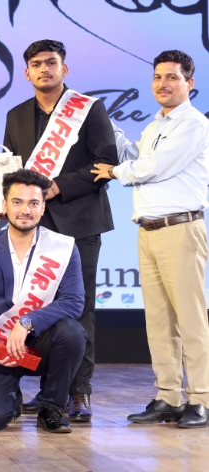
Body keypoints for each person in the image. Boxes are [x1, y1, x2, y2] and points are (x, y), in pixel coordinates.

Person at [92, 50, 209, 428]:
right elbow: (135, 155)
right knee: (159, 322)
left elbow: (153, 167)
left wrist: (115, 172)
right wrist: (106, 125)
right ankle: (168, 397)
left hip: (180, 229)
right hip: (149, 230)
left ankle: (202, 399)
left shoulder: (193, 124)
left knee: (191, 321)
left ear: (190, 84)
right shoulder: (157, 124)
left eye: (172, 77)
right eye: (158, 77)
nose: (163, 83)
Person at [3, 39, 118, 420]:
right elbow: (11, 168)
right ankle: (51, 391)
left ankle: (79, 392)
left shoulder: (88, 109)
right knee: (35, 307)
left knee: (79, 308)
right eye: (36, 64)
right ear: (27, 73)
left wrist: (57, 186)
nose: (44, 69)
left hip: (79, 223)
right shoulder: (16, 115)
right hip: (33, 228)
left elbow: (106, 163)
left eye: (51, 62)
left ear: (63, 68)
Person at [0, 169, 85, 433]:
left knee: (72, 332)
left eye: (33, 203)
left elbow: (73, 301)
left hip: (42, 342)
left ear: (43, 207)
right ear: (4, 205)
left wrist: (28, 321)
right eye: (17, 202)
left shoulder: (62, 247)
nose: (25, 210)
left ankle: (52, 406)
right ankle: (11, 396)